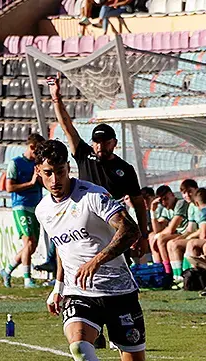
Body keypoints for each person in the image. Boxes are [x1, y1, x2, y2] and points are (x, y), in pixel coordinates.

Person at [35, 139, 150, 361]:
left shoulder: (93, 196)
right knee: (78, 346)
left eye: (60, 171)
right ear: (39, 171)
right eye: (48, 173)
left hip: (118, 291)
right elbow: (62, 247)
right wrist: (58, 286)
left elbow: (130, 230)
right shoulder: (43, 210)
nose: (55, 180)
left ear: (68, 168)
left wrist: (97, 260)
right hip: (78, 292)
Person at [49, 76, 149, 257]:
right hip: (84, 221)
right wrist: (56, 99)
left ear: (114, 143)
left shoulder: (125, 169)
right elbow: (67, 127)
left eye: (105, 142)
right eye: (96, 142)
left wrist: (143, 235)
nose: (100, 146)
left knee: (117, 266)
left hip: (112, 224)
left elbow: (139, 205)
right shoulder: (84, 155)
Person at [1, 133, 47, 288]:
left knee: (32, 246)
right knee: (29, 241)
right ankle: (27, 279)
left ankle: (7, 270)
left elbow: (42, 184)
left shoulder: (38, 164)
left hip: (36, 206)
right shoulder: (16, 163)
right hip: (21, 206)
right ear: (32, 147)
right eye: (38, 150)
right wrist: (31, 183)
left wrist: (41, 178)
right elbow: (9, 187)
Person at [148, 185, 191, 276]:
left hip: (186, 233)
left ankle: (168, 272)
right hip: (178, 233)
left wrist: (158, 235)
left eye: (166, 199)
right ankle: (159, 270)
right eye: (161, 201)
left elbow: (171, 229)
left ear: (172, 195)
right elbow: (157, 230)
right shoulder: (166, 208)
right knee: (151, 236)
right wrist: (152, 211)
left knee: (161, 239)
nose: (164, 202)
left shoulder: (180, 203)